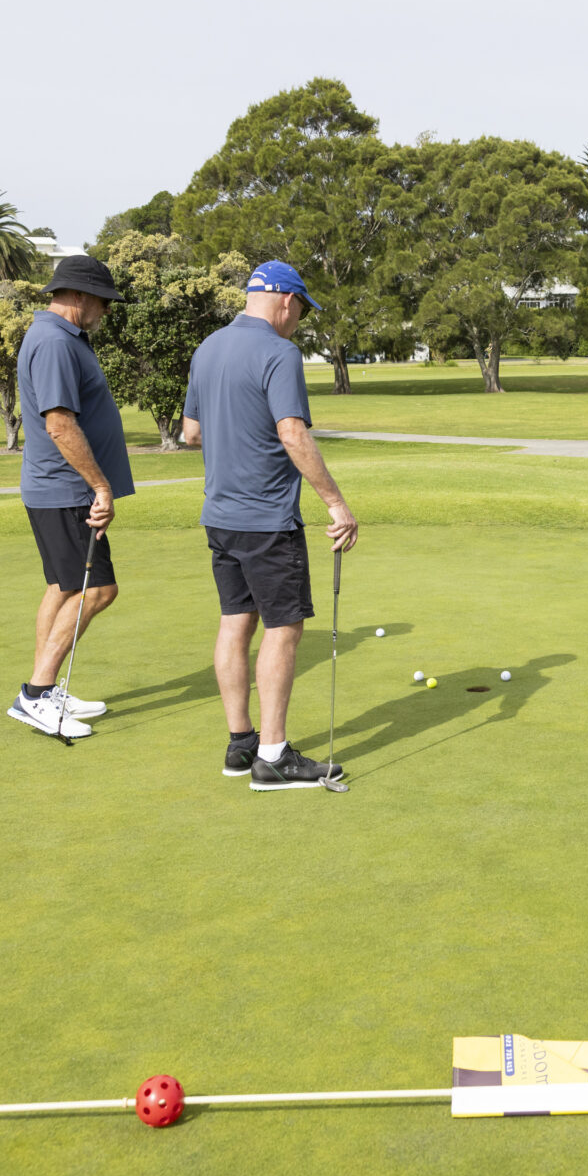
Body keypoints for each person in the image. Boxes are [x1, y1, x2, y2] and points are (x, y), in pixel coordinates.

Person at [182, 261, 358, 787]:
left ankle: (241, 744)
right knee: (283, 628)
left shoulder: (208, 347)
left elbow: (191, 433)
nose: (299, 320)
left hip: (220, 517)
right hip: (267, 519)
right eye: (302, 309)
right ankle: (274, 757)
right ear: (286, 300)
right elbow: (292, 433)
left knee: (236, 622)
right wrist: (336, 504)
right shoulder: (280, 352)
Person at [7, 254, 136, 740]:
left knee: (62, 587)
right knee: (98, 589)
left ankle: (44, 690)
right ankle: (36, 694)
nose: (106, 310)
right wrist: (100, 486)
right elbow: (59, 424)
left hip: (56, 488)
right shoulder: (55, 342)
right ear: (79, 296)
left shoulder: (61, 337)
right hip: (65, 490)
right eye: (103, 301)